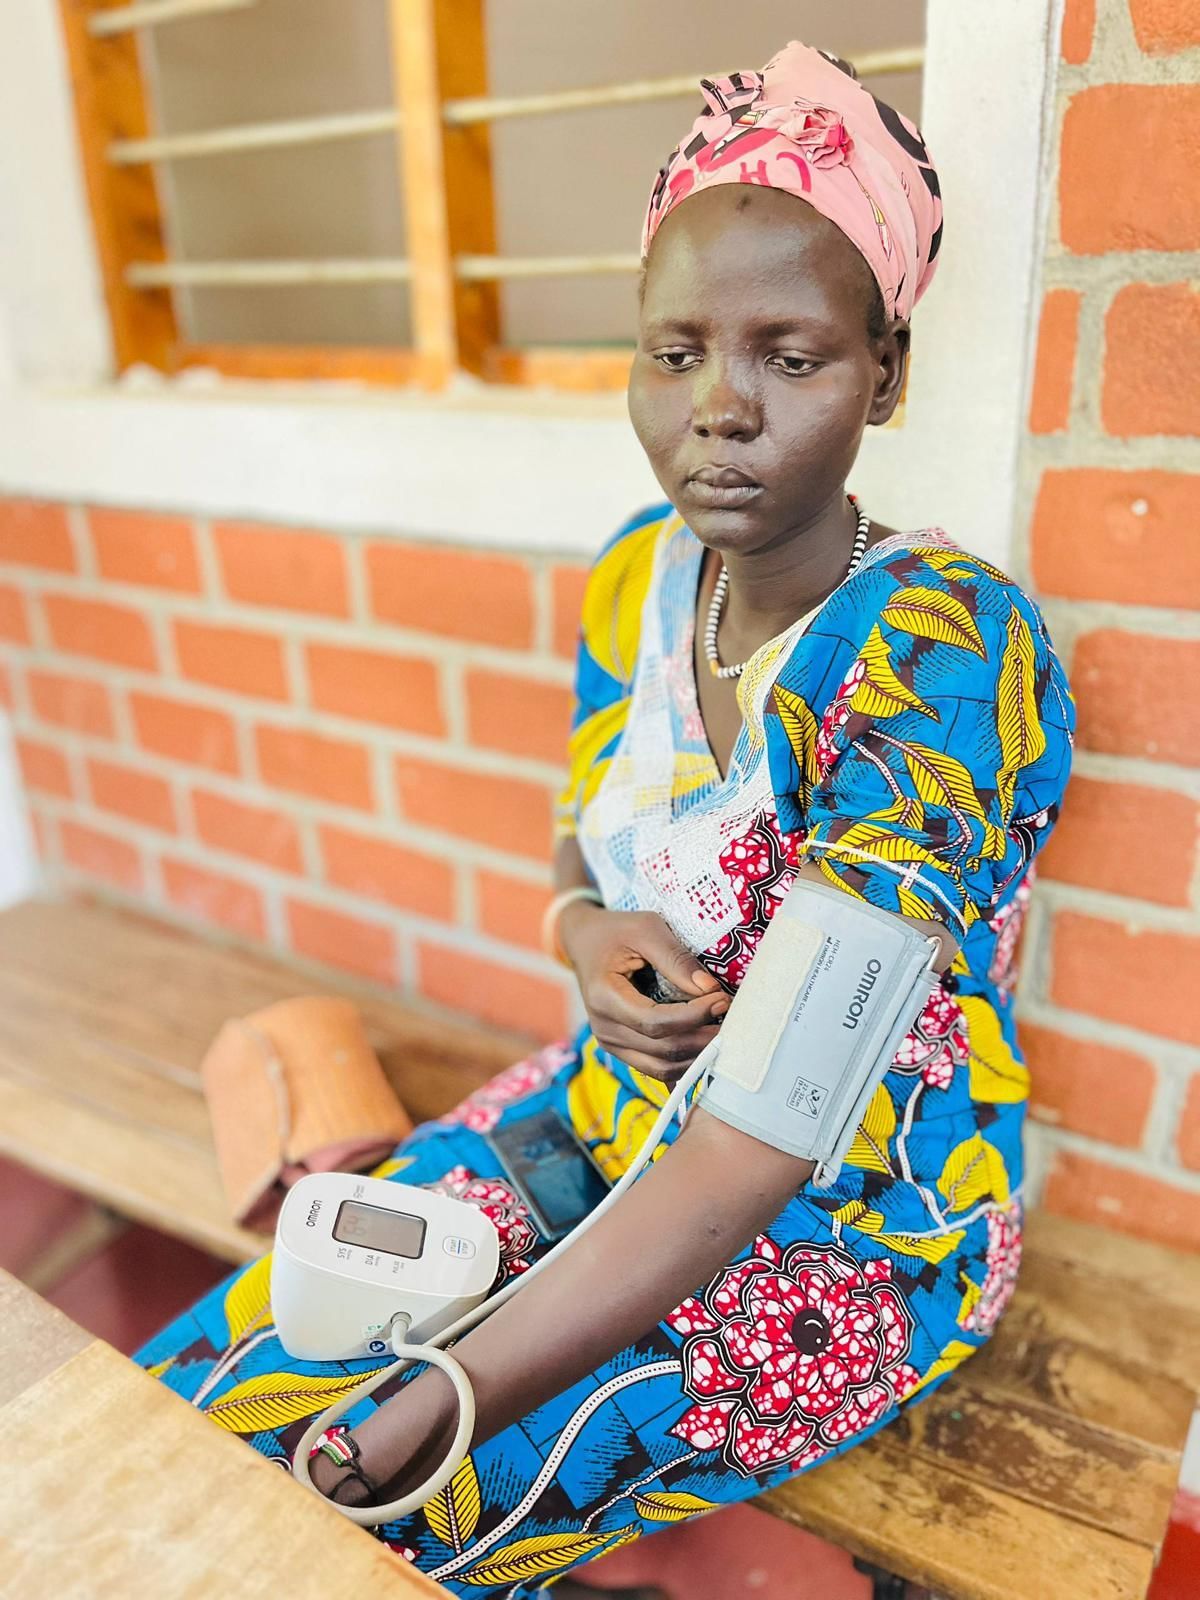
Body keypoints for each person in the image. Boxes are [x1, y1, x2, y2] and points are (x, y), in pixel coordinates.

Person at [136, 40, 1074, 1596]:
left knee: (388, 1508)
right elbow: (588, 825)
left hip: (848, 1222)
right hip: (609, 1116)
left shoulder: (942, 654)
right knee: (204, 1403)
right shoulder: (644, 575)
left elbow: (770, 1129)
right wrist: (581, 932)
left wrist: (448, 1396)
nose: (721, 410)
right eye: (676, 352)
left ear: (886, 374)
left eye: (790, 357)